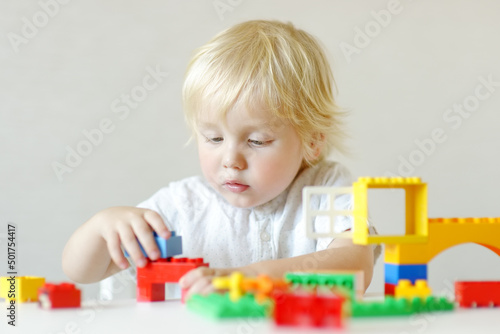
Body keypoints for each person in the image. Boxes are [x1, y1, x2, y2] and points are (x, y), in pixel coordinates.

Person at [62, 20, 378, 297]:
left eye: (257, 140)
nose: (231, 160)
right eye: (214, 138)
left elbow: (354, 266)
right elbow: (81, 271)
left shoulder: (325, 188)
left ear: (311, 142)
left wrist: (253, 277)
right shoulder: (182, 206)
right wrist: (101, 226)